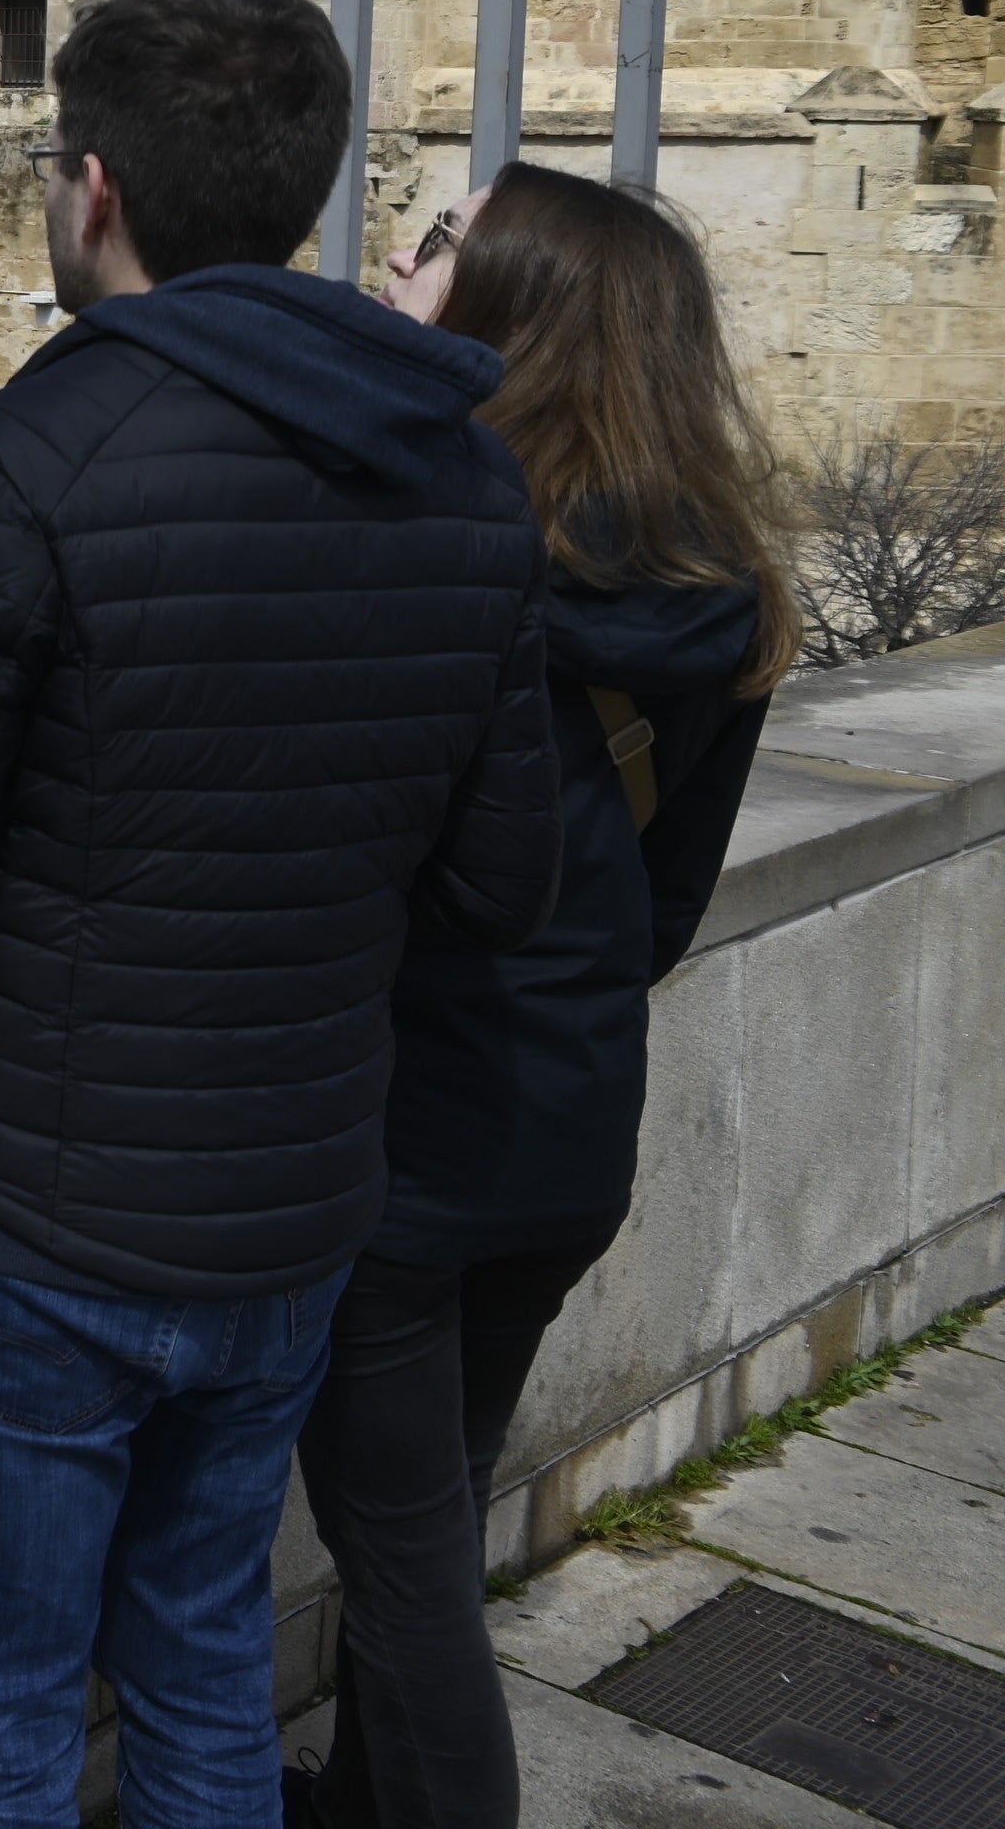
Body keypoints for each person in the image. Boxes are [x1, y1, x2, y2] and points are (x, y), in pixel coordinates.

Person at [0, 0, 563, 1829]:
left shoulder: (11, 470)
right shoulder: (467, 486)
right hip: (292, 1215)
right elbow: (505, 880)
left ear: (96, 192)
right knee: (209, 1670)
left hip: (33, 1226)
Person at [290, 167, 791, 1829]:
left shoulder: (429, 551)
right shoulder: (719, 593)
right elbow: (661, 911)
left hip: (399, 1143)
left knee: (411, 1562)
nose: (393, 249)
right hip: (568, 1134)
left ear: (522, 309)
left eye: (435, 240)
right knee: (425, 1527)